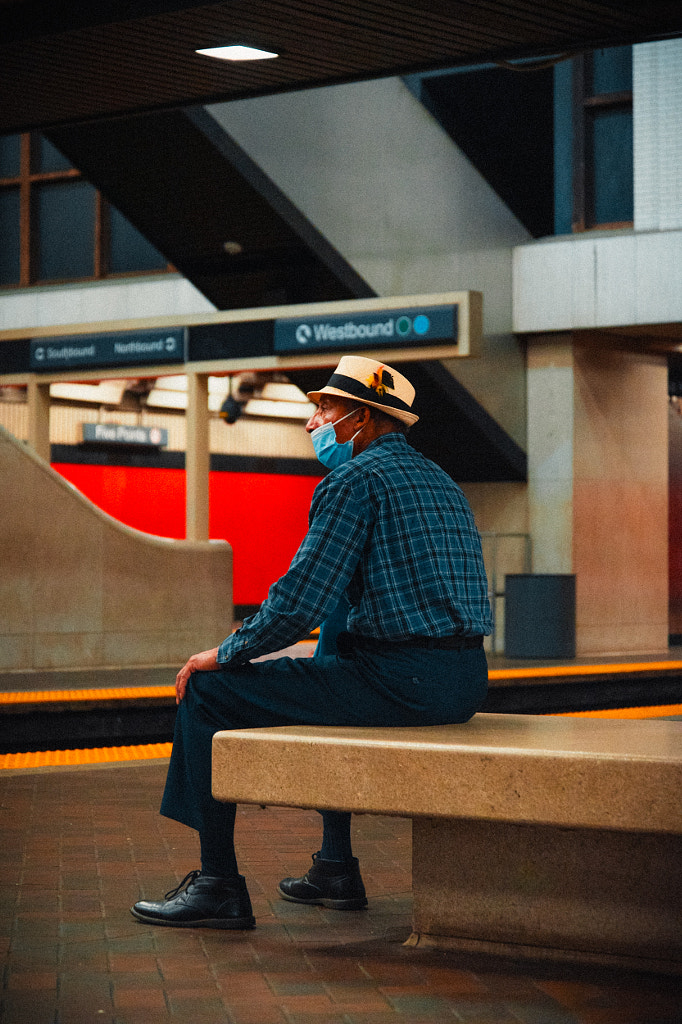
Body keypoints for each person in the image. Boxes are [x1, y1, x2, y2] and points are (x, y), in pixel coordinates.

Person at [131, 355, 493, 929]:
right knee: (336, 644)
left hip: (403, 684)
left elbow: (300, 602)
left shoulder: (353, 480)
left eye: (324, 408)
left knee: (208, 692)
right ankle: (335, 865)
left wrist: (223, 653)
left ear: (362, 418)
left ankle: (218, 883)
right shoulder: (441, 480)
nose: (313, 423)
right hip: (466, 680)